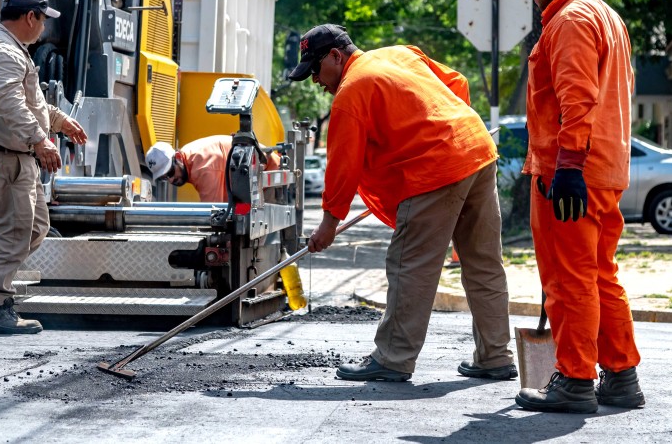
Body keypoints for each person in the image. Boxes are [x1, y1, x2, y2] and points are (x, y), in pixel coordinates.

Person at [287, 24, 515, 383]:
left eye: (315, 69)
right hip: (475, 150)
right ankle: (495, 356)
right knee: (484, 263)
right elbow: (456, 83)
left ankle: (393, 358)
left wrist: (329, 224)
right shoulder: (399, 54)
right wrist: (450, 135)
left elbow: (343, 165)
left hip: (434, 169)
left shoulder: (350, 92)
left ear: (335, 56)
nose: (315, 80)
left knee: (410, 265)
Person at [503, 0, 644, 413]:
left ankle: (575, 380)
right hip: (603, 169)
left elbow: (576, 98)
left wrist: (566, 166)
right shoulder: (606, 16)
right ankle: (621, 377)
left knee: (570, 279)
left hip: (571, 171)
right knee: (600, 274)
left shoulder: (570, 20)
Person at [0, 0, 88, 334]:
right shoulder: (2, 51)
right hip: (4, 159)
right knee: (14, 232)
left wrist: (58, 120)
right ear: (30, 17)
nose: (44, 27)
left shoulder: (13, 50)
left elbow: (30, 102)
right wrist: (41, 139)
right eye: (42, 19)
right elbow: (9, 104)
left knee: (35, 227)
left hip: (13, 157)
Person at [146, 136, 279, 203]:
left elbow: (213, 211)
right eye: (163, 178)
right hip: (247, 180)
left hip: (267, 173)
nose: (170, 180)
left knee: (251, 235)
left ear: (178, 157)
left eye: (170, 172)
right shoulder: (188, 157)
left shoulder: (204, 167)